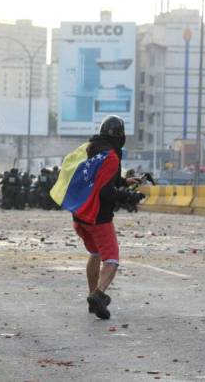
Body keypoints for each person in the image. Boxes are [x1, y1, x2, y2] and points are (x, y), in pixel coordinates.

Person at [51, 115, 144, 320]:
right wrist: (129, 197)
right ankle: (99, 294)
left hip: (79, 216)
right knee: (111, 259)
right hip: (98, 218)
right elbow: (105, 191)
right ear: (121, 136)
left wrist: (125, 181)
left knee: (95, 253)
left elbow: (98, 178)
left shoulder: (89, 148)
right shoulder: (111, 156)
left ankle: (93, 298)